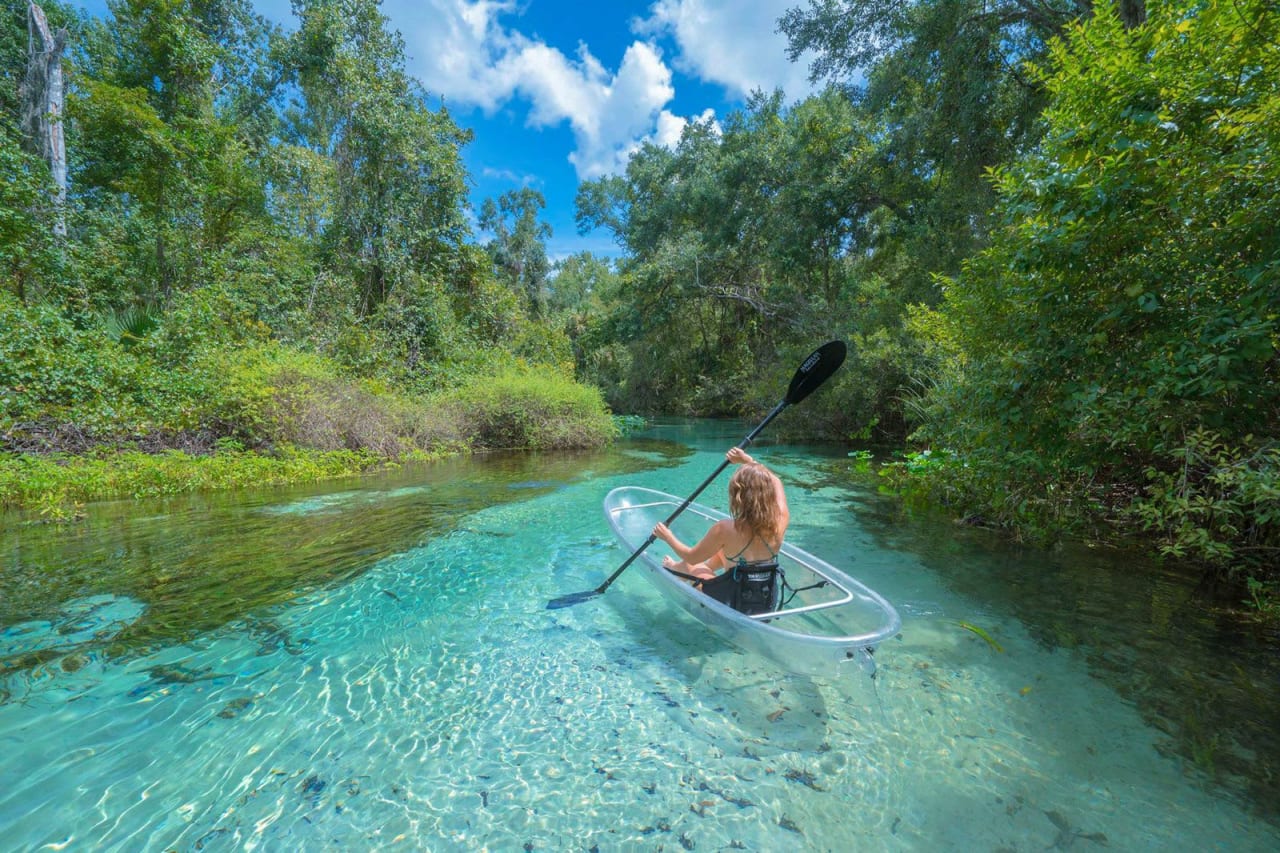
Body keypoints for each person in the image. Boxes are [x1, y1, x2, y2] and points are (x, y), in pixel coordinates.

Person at [651, 447, 789, 614]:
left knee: (688, 564)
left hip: (731, 604)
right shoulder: (780, 520)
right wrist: (748, 460)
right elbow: (775, 482)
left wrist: (667, 536)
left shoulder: (725, 528)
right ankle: (700, 569)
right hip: (766, 601)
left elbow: (691, 557)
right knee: (724, 552)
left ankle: (678, 570)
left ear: (739, 496)